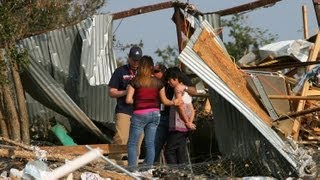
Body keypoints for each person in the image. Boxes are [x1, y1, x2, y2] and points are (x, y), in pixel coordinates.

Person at [125, 56, 180, 171]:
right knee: (150, 144)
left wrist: (140, 101)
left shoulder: (135, 81)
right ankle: (147, 170)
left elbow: (128, 100)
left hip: (139, 114)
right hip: (155, 114)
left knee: (132, 144)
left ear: (140, 67)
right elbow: (165, 101)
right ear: (151, 67)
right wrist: (175, 102)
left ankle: (132, 170)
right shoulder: (159, 83)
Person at [154, 66, 197, 163]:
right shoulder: (177, 86)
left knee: (169, 150)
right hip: (182, 125)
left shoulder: (178, 88)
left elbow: (180, 107)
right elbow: (191, 108)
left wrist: (187, 122)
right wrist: (189, 122)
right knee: (180, 150)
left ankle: (174, 172)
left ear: (175, 78)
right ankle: (182, 172)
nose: (168, 82)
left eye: (169, 80)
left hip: (179, 125)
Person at [108, 46, 143, 160]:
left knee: (138, 139)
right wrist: (125, 92)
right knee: (121, 137)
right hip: (124, 110)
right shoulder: (120, 71)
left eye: (138, 60)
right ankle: (113, 163)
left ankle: (133, 165)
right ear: (129, 58)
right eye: (133, 59)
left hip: (140, 111)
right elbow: (111, 92)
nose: (135, 62)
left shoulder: (144, 73)